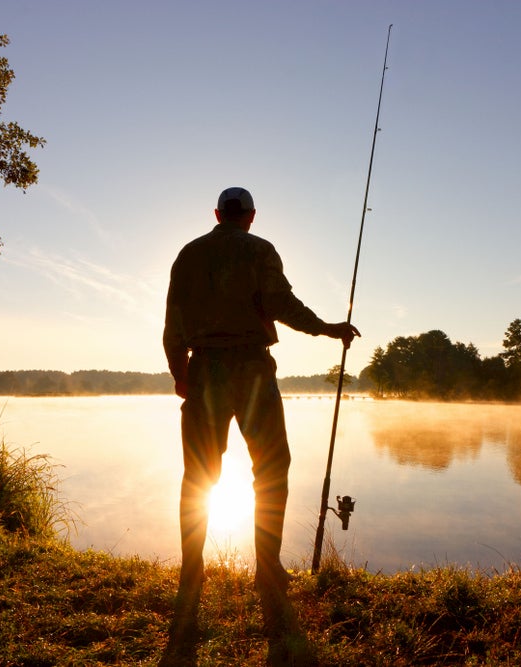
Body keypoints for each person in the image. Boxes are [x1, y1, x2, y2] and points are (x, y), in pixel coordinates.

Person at [161, 186, 359, 660]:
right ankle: (266, 570)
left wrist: (181, 375)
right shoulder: (260, 249)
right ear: (250, 216)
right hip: (251, 368)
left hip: (205, 367)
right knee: (271, 470)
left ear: (217, 214)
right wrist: (330, 328)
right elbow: (282, 306)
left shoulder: (188, 254)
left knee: (198, 476)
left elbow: (172, 324)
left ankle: (193, 572)